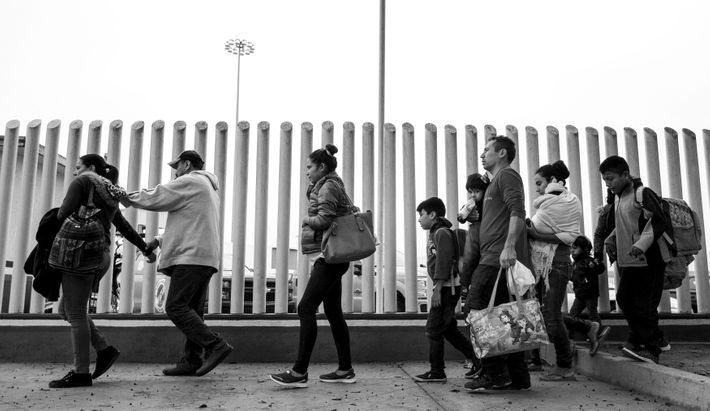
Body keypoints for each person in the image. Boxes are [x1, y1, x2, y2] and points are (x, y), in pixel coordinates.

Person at [120, 150, 233, 376]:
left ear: (187, 164)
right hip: (204, 256)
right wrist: (159, 240)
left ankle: (215, 344)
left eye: (177, 167)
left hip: (191, 257)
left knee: (175, 306)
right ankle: (191, 361)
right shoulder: (208, 188)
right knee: (193, 310)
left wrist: (128, 197)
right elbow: (192, 223)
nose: (175, 173)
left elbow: (160, 195)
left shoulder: (190, 180)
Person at [48, 154, 155, 388]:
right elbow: (124, 227)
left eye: (78, 167)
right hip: (100, 255)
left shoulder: (83, 182)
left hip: (79, 254)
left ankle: (81, 373)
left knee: (75, 314)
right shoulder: (108, 191)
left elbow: (61, 214)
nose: (76, 172)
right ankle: (104, 350)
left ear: (91, 167)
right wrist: (144, 248)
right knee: (66, 310)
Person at [270, 144, 356, 388]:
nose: (306, 172)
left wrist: (305, 220)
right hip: (331, 258)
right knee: (333, 313)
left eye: (309, 167)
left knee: (306, 307)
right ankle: (345, 370)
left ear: (322, 167)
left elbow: (324, 219)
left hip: (327, 258)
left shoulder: (328, 185)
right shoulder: (328, 184)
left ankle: (299, 373)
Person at [464, 136, 531, 392]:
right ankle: (518, 376)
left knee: (475, 311)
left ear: (501, 153)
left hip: (496, 259)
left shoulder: (507, 176)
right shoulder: (493, 184)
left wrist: (509, 246)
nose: (482, 155)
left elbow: (518, 211)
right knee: (505, 317)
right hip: (493, 258)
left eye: (486, 150)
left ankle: (493, 373)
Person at [598, 155, 671, 364]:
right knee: (624, 300)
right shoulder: (619, 198)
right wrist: (610, 241)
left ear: (625, 175)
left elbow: (658, 221)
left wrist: (641, 245)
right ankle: (650, 339)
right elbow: (622, 226)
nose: (608, 184)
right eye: (605, 180)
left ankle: (651, 349)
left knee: (646, 305)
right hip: (630, 260)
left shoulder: (642, 194)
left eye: (611, 179)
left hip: (651, 259)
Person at [526, 160, 582, 381]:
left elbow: (570, 236)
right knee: (542, 313)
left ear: (551, 181)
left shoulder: (567, 202)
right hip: (545, 267)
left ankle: (564, 365)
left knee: (551, 316)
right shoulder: (549, 204)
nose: (537, 188)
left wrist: (536, 234)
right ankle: (540, 359)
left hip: (556, 266)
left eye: (539, 183)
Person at [412, 197, 476, 383]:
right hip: (447, 287)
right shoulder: (437, 232)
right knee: (447, 329)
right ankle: (477, 359)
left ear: (432, 214)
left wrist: (437, 289)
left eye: (421, 215)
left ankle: (437, 372)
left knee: (433, 329)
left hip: (447, 288)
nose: (419, 219)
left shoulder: (441, 233)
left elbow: (444, 261)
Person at [459, 173, 490, 377]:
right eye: (470, 191)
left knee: (475, 316)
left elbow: (470, 256)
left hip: (481, 268)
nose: (473, 195)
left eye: (476, 191)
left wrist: (464, 282)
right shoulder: (476, 213)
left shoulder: (481, 219)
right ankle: (480, 363)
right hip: (483, 268)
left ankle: (481, 364)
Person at [564, 235, 611, 356]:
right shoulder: (575, 263)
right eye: (571, 248)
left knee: (592, 314)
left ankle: (597, 335)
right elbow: (574, 277)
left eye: (575, 248)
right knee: (571, 316)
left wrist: (596, 264)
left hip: (589, 293)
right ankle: (570, 341)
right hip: (579, 295)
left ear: (584, 249)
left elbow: (600, 269)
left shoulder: (588, 261)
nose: (572, 250)